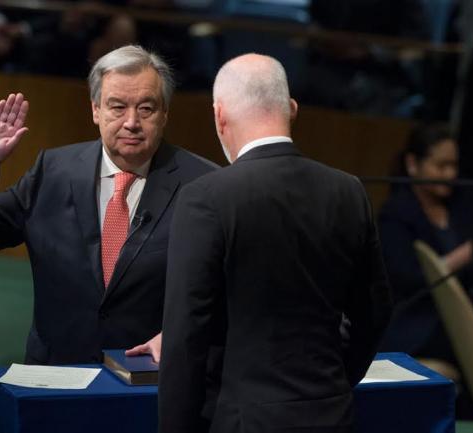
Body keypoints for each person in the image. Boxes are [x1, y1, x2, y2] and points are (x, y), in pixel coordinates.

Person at [158, 53, 393, 433]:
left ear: (219, 115)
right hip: (332, 414)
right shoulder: (348, 191)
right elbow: (376, 311)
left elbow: (186, 338)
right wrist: (335, 381)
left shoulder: (207, 197)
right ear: (293, 110)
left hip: (242, 419)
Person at [0, 45, 217, 366]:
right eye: (117, 107)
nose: (132, 122)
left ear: (164, 114)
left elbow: (227, 287)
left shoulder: (203, 184)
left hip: (151, 378)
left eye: (146, 109)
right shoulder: (53, 170)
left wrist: (178, 336)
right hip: (59, 372)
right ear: (95, 110)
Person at [377, 123, 473, 418]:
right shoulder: (395, 216)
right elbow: (412, 280)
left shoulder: (465, 207)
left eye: (454, 165)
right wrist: (471, 250)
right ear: (413, 164)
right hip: (417, 323)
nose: (450, 175)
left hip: (461, 320)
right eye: (441, 165)